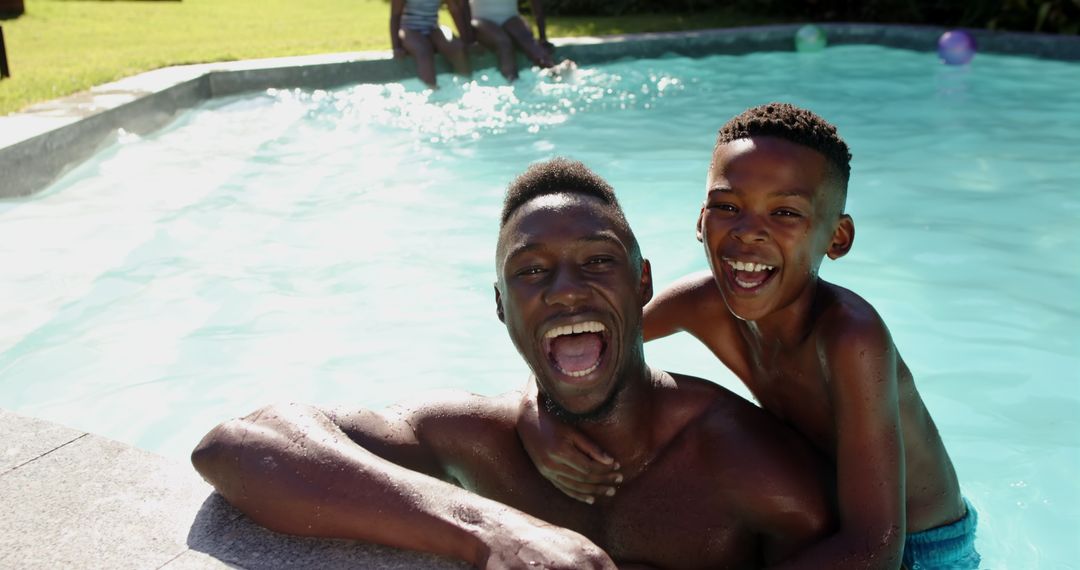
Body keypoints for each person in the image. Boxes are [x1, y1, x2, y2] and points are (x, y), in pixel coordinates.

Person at [192, 158, 836, 568]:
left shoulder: (746, 465)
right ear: (501, 306)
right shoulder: (480, 441)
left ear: (642, 282)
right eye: (531, 271)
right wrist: (490, 530)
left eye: (597, 261)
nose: (566, 291)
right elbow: (241, 444)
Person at [518, 104, 979, 569]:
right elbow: (588, 340)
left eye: (785, 212)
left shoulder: (850, 337)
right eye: (727, 207)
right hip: (823, 524)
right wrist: (535, 414)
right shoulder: (700, 303)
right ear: (701, 221)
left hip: (920, 547)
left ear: (837, 238)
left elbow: (876, 549)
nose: (749, 232)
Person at [390, 0, 472, 88]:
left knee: (457, 47)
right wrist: (396, 47)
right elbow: (395, 15)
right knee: (423, 51)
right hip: (409, 29)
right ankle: (432, 88)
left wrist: (467, 41)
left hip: (432, 27)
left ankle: (465, 84)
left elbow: (454, 10)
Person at [467, 0, 554, 81]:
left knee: (530, 43)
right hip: (480, 19)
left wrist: (542, 38)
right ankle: (513, 82)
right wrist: (469, 40)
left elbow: (536, 3)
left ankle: (554, 72)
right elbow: (461, 6)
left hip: (510, 17)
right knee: (503, 43)